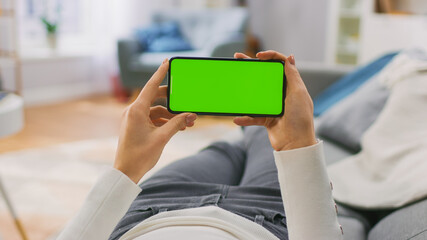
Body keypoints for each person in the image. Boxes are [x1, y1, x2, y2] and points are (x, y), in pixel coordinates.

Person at [57, 51, 343, 240]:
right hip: (264, 221)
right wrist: (298, 142)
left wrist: (126, 169)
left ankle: (242, 137)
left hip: (151, 210)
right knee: (259, 140)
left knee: (222, 150)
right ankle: (253, 134)